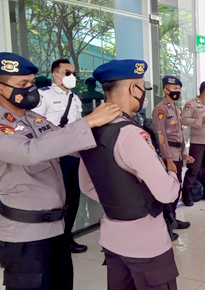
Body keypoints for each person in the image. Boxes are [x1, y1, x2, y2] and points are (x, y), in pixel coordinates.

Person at [0, 52, 121, 290]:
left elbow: (63, 142)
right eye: (22, 85)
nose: (30, 90)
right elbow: (29, 152)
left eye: (32, 83)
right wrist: (88, 123)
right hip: (24, 235)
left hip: (56, 228)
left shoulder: (34, 118)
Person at [79, 59, 181, 290]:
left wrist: (120, 202)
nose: (143, 94)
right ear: (133, 89)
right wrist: (173, 172)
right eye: (142, 88)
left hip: (113, 241)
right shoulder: (131, 135)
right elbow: (166, 193)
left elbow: (86, 185)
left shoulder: (90, 131)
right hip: (147, 245)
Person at [32, 59, 88, 254]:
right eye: (67, 73)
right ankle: (53, 240)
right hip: (55, 157)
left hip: (74, 154)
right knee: (57, 199)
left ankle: (67, 237)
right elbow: (35, 126)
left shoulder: (75, 98)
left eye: (73, 73)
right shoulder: (42, 96)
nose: (72, 77)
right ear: (55, 74)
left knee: (73, 197)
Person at [153, 75, 194, 238]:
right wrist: (168, 159)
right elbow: (161, 136)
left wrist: (185, 154)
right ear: (165, 89)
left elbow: (179, 134)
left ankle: (173, 218)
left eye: (178, 89)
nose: (177, 92)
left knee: (176, 189)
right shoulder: (160, 109)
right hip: (168, 155)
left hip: (177, 153)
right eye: (174, 89)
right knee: (169, 190)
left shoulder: (175, 107)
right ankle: (166, 224)